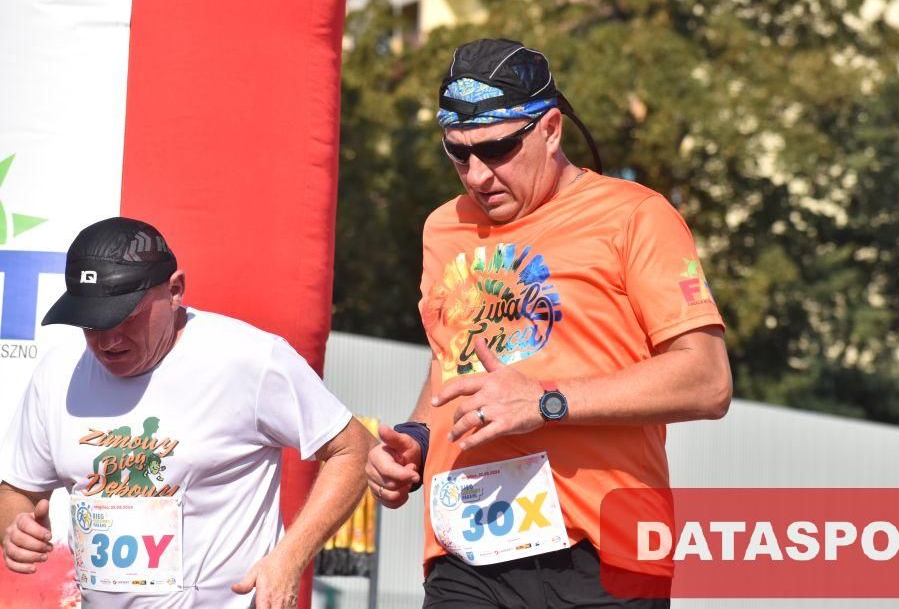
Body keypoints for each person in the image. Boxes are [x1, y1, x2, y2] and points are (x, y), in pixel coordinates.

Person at [366, 38, 733, 608]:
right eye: (458, 154)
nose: (477, 175)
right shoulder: (443, 228)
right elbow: (452, 360)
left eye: (498, 149)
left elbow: (707, 381)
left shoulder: (636, 215)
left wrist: (545, 401)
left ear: (551, 129)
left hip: (603, 551)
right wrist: (417, 437)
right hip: (466, 549)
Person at [0, 217, 372, 608]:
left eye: (125, 317)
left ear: (175, 290)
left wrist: (289, 558)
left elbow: (356, 450)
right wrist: (15, 525)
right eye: (91, 323)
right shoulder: (59, 373)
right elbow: (17, 490)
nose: (108, 340)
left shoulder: (250, 360)